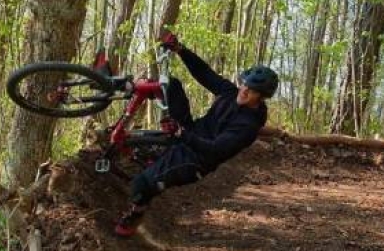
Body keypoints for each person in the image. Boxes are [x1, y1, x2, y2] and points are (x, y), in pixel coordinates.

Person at [114, 32, 279, 237]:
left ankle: (135, 214)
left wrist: (181, 133)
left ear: (261, 98)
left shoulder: (247, 127)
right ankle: (123, 88)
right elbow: (204, 73)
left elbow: (215, 149)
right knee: (171, 85)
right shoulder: (230, 92)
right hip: (191, 131)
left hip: (195, 160)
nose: (244, 90)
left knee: (141, 185)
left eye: (252, 90)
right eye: (245, 83)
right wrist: (181, 50)